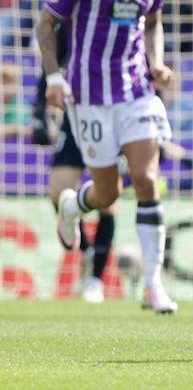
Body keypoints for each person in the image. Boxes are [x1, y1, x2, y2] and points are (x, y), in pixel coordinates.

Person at [41, 0, 178, 313]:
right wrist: (54, 77)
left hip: (136, 92)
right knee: (106, 193)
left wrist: (156, 62)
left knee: (146, 179)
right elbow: (47, 23)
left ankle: (153, 285)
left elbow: (152, 23)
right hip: (90, 98)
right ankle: (72, 206)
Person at [27, 24, 117, 304]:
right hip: (75, 114)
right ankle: (88, 250)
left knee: (108, 200)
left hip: (115, 115)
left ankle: (94, 280)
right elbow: (51, 64)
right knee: (58, 192)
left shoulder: (123, 16)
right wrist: (39, 110)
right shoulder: (75, 20)